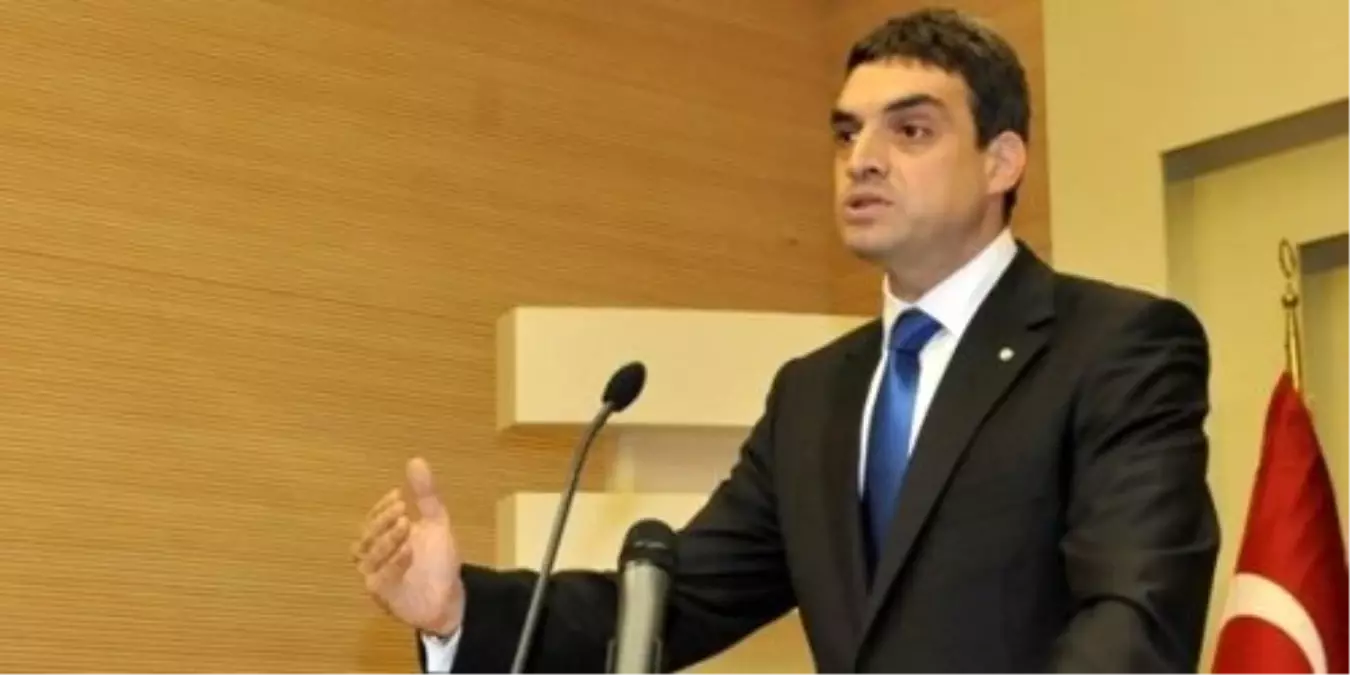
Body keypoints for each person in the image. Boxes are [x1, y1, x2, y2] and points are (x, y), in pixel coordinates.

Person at [351, 8, 1221, 674]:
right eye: (847, 133)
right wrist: (458, 610)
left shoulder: (1115, 347)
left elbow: (1134, 619)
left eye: (910, 130)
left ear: (1002, 161)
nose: (862, 158)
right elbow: (672, 602)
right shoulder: (814, 394)